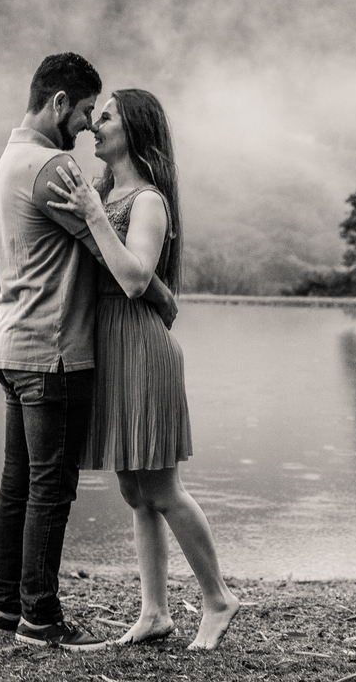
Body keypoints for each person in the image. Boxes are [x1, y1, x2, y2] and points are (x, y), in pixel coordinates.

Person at [0, 55, 177, 652]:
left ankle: (5, 604)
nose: (88, 125)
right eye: (86, 111)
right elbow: (113, 258)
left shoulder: (11, 158)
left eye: (102, 115)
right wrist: (167, 301)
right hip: (52, 352)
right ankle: (39, 616)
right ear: (60, 102)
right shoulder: (54, 168)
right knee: (50, 488)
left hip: (12, 342)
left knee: (18, 483)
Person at [47, 89, 240, 651]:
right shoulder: (110, 193)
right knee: (135, 488)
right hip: (110, 344)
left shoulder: (148, 201)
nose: (94, 127)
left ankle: (218, 598)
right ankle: (154, 612)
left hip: (140, 348)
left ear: (132, 129)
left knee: (161, 485)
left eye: (105, 118)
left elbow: (133, 278)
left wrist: (91, 214)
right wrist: (90, 207)